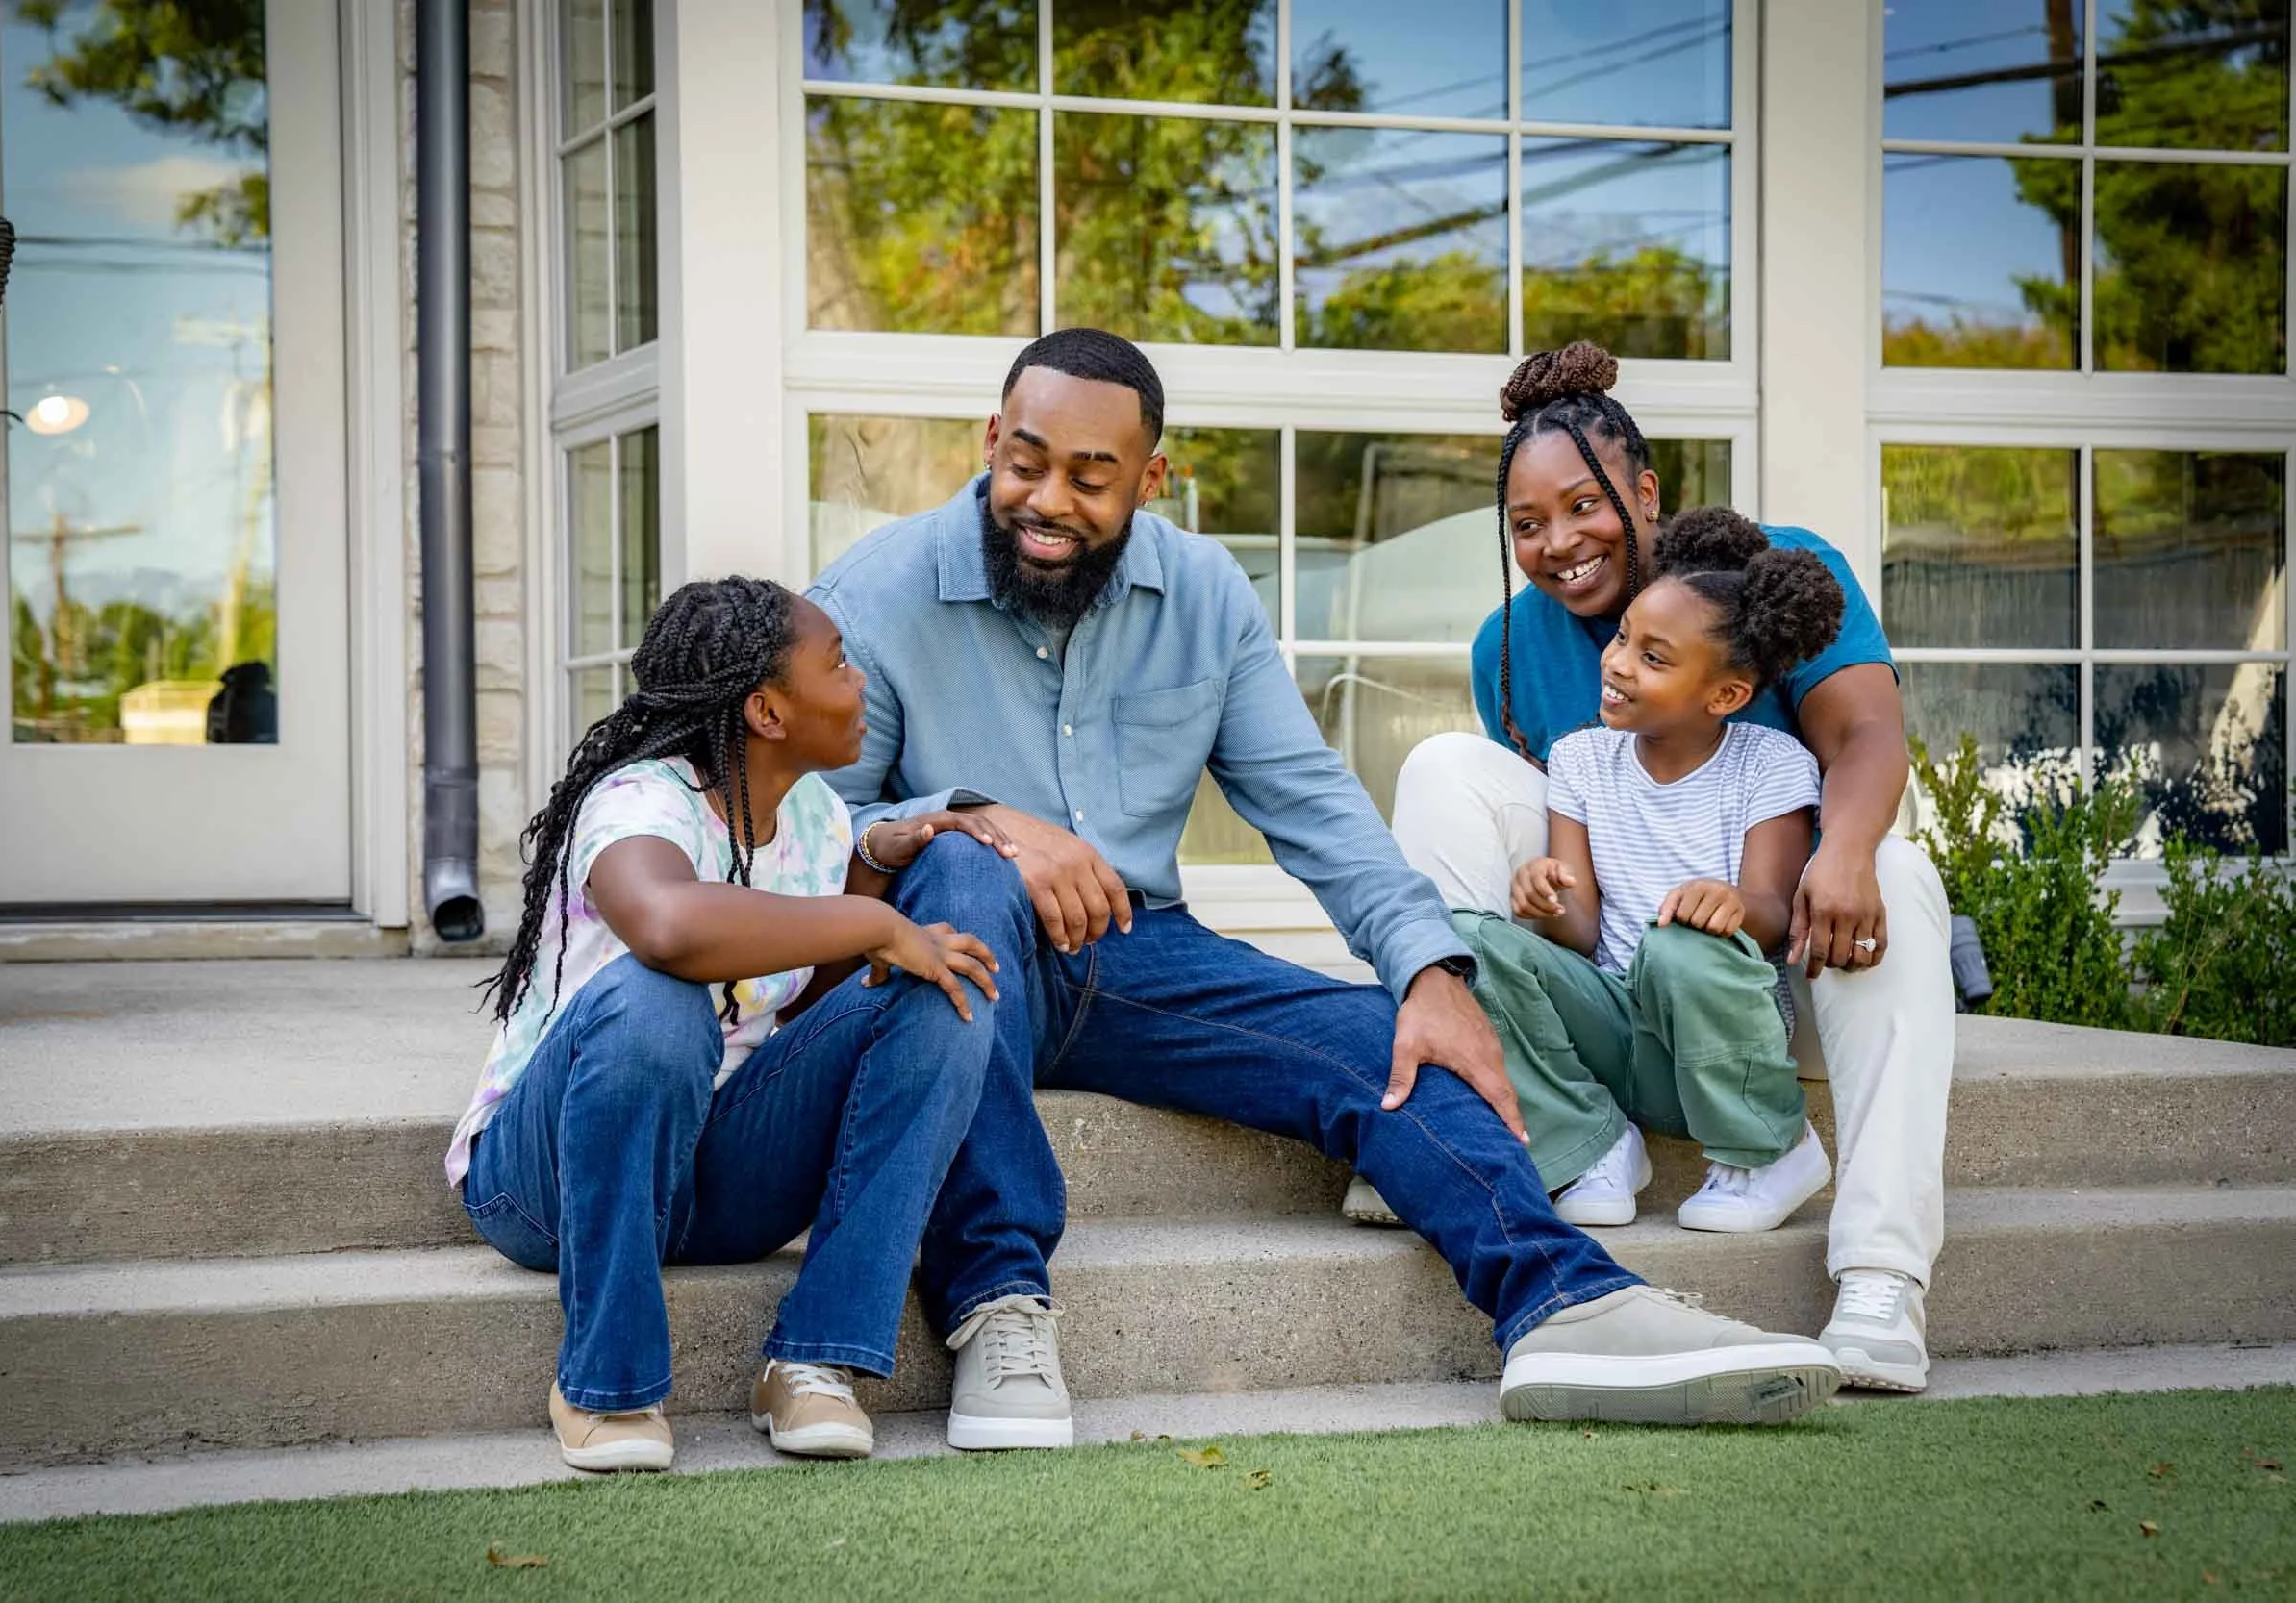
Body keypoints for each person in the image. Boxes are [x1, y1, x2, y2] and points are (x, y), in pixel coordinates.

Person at [808, 327, 1846, 1432]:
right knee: (969, 874)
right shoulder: (877, 594)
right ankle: (997, 1301)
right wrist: (979, 821)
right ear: (989, 442)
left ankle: (1565, 1303)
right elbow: (813, 840)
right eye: (1025, 462)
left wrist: (1431, 970)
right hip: (942, 957)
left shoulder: (1202, 591)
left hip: (1135, 954)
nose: (1046, 498)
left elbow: (1312, 803)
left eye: (1090, 476)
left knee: (1394, 1046)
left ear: (1152, 480)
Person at [1386, 341, 1953, 1394]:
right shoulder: (1507, 647)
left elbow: (1869, 734)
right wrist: (1545, 905)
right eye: (1525, 523)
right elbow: (1575, 832)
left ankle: (1879, 1273)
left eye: (1583, 506)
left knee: (1904, 877)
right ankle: (1467, 1107)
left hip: (1793, 942)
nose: (1558, 543)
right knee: (1439, 767)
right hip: (1628, 972)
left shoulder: (1770, 576)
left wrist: (1840, 850)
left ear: (1644, 491)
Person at [449, 576, 1052, 1472]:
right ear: (769, 710)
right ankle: (604, 1383)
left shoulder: (812, 816)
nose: (858, 683)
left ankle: (816, 1357)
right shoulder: (636, 804)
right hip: (545, 1184)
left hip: (716, 1175)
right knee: (656, 996)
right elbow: (668, 925)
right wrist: (876, 923)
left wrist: (873, 878)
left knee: (943, 984)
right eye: (839, 665)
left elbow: (802, 1012)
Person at [1471, 506, 1845, 1236]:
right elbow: (1577, 933)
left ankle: (1773, 1145)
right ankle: (1594, 1140)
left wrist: (1731, 902)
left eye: (1654, 657)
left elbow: (1773, 907)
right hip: (1621, 1037)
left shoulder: (1770, 765)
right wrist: (1542, 898)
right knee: (1470, 939)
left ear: (1726, 695)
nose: (1617, 663)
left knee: (1677, 944)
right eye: (1622, 638)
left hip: (1720, 1048)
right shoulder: (1580, 759)